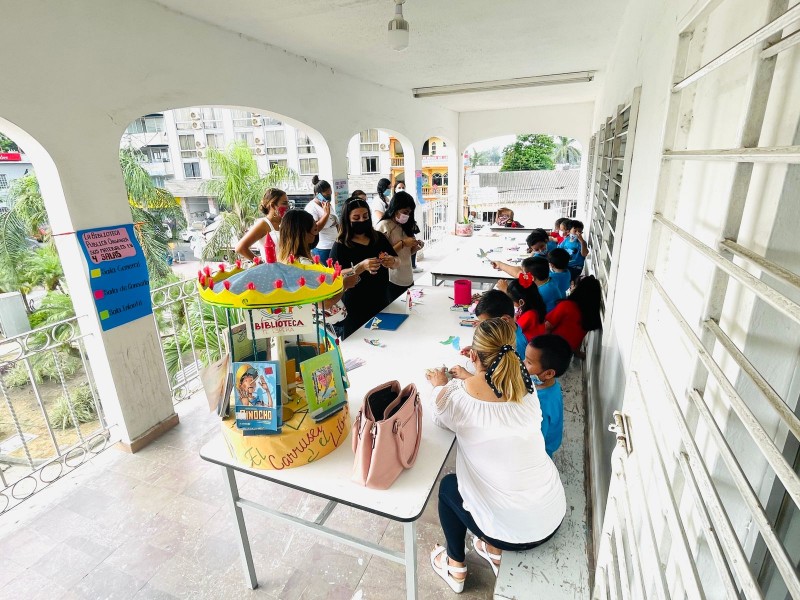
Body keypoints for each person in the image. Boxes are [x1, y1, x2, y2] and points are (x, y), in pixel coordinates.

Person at [425, 318, 565, 592]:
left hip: (511, 532)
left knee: (448, 488)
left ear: (473, 355)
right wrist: (470, 377)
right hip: (549, 514)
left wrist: (439, 383)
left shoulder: (457, 398)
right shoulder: (528, 389)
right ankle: (491, 549)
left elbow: (439, 414)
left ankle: (455, 567)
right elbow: (493, 392)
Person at [329, 198, 399, 339]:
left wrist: (392, 261)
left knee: (385, 340)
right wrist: (360, 267)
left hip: (381, 300)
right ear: (347, 220)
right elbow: (333, 275)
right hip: (355, 306)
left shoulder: (379, 238)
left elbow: (397, 261)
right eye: (356, 217)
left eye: (365, 216)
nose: (362, 220)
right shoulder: (341, 245)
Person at [276, 210, 356, 322]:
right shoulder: (305, 265)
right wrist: (345, 284)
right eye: (315, 229)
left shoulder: (285, 261)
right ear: (304, 234)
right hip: (325, 325)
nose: (317, 233)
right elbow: (324, 303)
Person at [524, 335, 573, 457]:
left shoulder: (540, 405)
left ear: (549, 373)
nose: (523, 364)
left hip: (540, 453)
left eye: (529, 362)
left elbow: (534, 441)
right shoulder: (549, 385)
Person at [376, 191, 424, 299]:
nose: (407, 216)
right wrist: (402, 243)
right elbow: (381, 256)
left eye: (409, 213)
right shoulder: (384, 226)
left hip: (407, 276)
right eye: (405, 212)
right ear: (395, 208)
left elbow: (407, 253)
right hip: (393, 278)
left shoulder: (405, 226)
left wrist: (415, 247)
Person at [543, 275, 602, 353]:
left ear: (579, 290)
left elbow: (547, 327)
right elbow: (577, 338)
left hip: (551, 349)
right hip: (567, 353)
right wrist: (578, 353)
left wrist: (541, 348)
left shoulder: (567, 306)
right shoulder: (590, 316)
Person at [235, 188, 290, 261]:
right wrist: (261, 264)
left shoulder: (286, 222)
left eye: (288, 203)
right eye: (284, 203)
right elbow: (240, 248)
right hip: (272, 271)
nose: (287, 206)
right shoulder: (263, 224)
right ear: (273, 205)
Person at [304, 176, 338, 264]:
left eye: (330, 193)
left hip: (334, 244)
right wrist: (326, 214)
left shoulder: (327, 204)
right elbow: (315, 229)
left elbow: (335, 222)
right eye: (327, 194)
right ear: (317, 194)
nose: (329, 196)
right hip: (323, 247)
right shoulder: (311, 208)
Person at [506, 276, 547, 341]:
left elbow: (511, 331)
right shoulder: (536, 309)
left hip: (526, 347)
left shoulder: (529, 315)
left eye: (512, 301)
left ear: (521, 302)